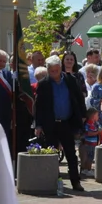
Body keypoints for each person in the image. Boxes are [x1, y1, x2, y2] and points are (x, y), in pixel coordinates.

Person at [33, 55, 85, 192]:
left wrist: (83, 117)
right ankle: (53, 181)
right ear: (48, 70)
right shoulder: (43, 84)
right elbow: (38, 106)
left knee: (71, 154)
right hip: (50, 123)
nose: (54, 74)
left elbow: (79, 99)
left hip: (66, 122)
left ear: (60, 68)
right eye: (51, 71)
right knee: (52, 153)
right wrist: (38, 125)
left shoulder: (70, 80)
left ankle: (75, 182)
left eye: (56, 71)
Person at [80, 107, 100, 178]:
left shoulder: (95, 124)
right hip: (88, 144)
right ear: (92, 116)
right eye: (97, 115)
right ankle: (87, 169)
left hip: (93, 143)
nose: (98, 117)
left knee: (91, 157)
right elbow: (88, 133)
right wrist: (98, 132)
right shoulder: (88, 124)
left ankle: (86, 169)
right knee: (88, 157)